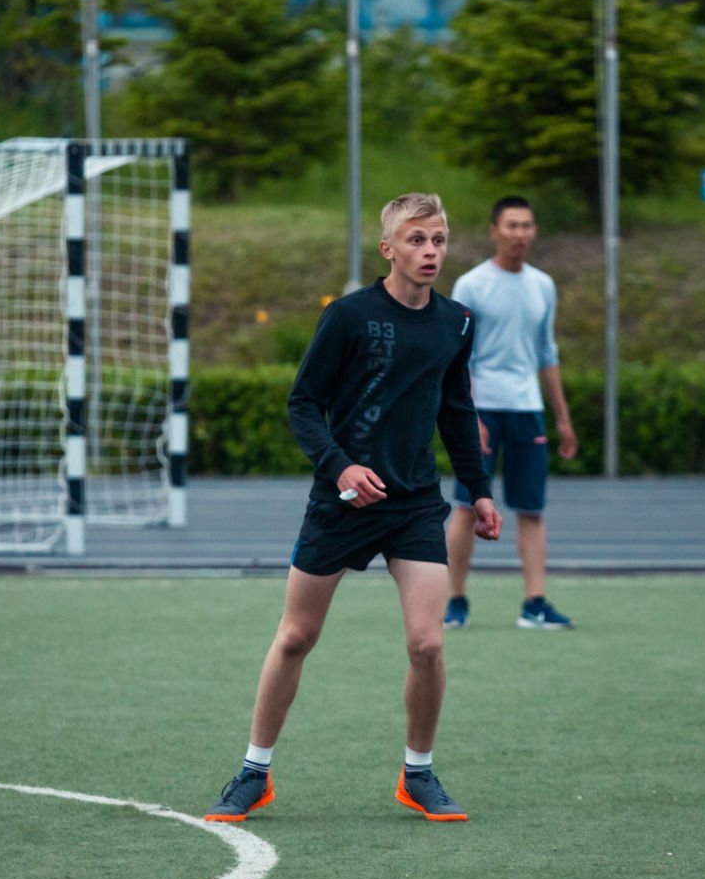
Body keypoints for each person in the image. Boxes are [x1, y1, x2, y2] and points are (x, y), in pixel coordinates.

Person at [203, 192, 504, 825]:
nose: (430, 251)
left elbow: (456, 410)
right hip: (341, 501)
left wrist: (478, 490)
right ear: (388, 248)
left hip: (414, 504)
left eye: (439, 240)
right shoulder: (347, 317)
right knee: (296, 636)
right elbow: (303, 404)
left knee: (428, 644)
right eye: (417, 240)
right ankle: (253, 772)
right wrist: (340, 466)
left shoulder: (457, 322)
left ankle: (417, 775)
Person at [444, 195, 579, 631]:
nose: (520, 234)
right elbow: (456, 358)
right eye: (512, 225)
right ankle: (454, 602)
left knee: (531, 509)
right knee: (467, 506)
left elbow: (546, 353)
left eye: (526, 225)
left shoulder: (543, 285)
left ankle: (534, 604)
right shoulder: (471, 285)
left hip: (527, 410)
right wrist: (470, 416)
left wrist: (563, 419)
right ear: (494, 231)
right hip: (482, 409)